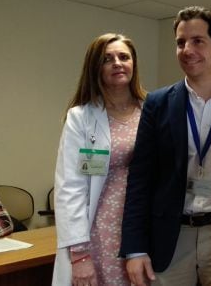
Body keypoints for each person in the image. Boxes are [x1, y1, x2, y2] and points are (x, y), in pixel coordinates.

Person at [119, 6, 211, 286]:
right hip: (171, 233)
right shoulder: (158, 103)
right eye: (180, 42)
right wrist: (135, 248)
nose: (187, 49)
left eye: (198, 41)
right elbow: (140, 178)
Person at [53, 33, 146, 286]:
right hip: (98, 231)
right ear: (95, 66)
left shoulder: (149, 110)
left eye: (123, 57)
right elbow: (69, 187)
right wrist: (80, 255)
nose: (117, 63)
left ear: (133, 64)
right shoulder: (81, 117)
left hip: (140, 230)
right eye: (107, 59)